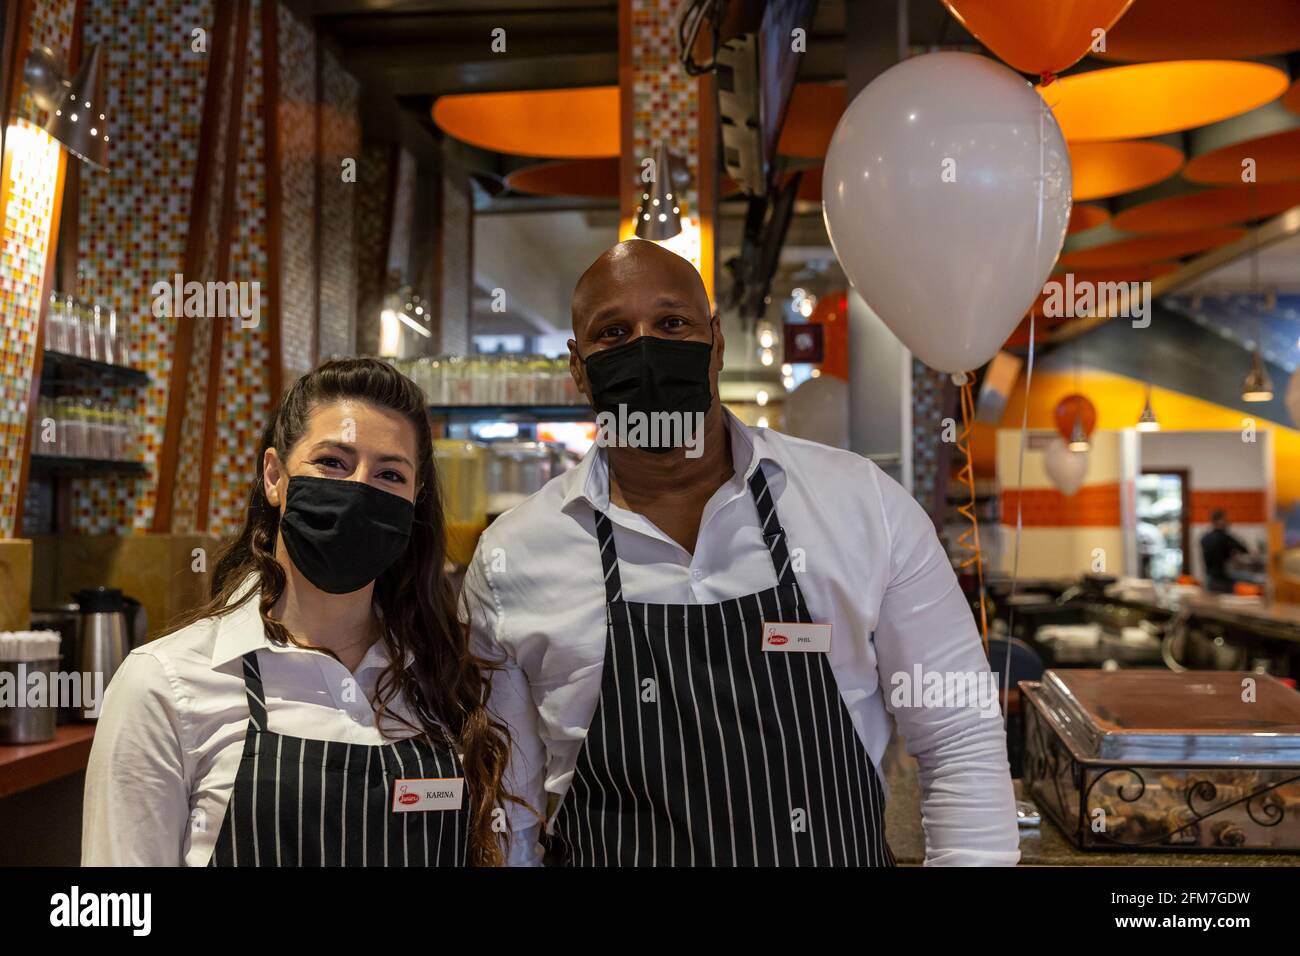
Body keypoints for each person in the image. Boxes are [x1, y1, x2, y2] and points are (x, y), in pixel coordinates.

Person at [464, 239, 1019, 866]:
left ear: (716, 340)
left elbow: (959, 738)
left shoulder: (863, 505)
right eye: (613, 332)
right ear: (577, 366)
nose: (647, 347)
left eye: (672, 323)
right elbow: (509, 809)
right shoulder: (513, 556)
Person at [83, 358, 519, 866]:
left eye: (389, 474)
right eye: (333, 462)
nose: (358, 489)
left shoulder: (448, 680)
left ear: (414, 502)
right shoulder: (165, 684)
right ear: (275, 476)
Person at [1200, 509, 1249, 594]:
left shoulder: (1205, 538)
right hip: (1223, 580)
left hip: (1210, 579)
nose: (1228, 522)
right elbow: (1244, 549)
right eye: (1226, 520)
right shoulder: (1225, 538)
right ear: (1219, 521)